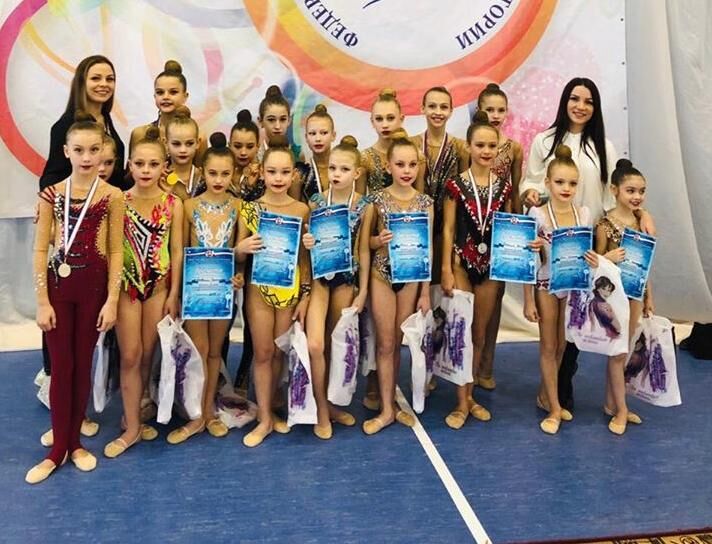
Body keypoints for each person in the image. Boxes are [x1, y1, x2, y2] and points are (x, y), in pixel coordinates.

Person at [519, 77, 654, 410]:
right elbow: (529, 183)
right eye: (575, 99)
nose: (581, 106)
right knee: (553, 331)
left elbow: (615, 194)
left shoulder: (603, 147)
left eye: (588, 101)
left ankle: (562, 382)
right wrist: (531, 194)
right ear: (564, 101)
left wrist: (641, 215)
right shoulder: (543, 141)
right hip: (553, 242)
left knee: (575, 322)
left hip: (591, 240)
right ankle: (553, 394)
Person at [26, 112, 124, 484]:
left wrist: (112, 300)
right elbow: (40, 250)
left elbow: (115, 251)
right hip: (59, 290)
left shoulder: (112, 196)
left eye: (94, 150)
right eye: (79, 150)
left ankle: (75, 443)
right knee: (61, 366)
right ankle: (57, 451)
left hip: (93, 290)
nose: (87, 157)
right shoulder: (51, 195)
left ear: (103, 152)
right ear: (66, 151)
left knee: (82, 364)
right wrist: (42, 301)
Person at [104, 126, 183, 458]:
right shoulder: (118, 201)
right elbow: (110, 249)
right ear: (130, 166)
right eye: (139, 164)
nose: (146, 170)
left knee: (148, 355)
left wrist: (174, 293)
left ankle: (134, 411)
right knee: (131, 355)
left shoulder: (173, 203)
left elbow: (176, 251)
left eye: (153, 164)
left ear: (164, 166)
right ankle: (133, 428)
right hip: (127, 288)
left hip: (158, 288)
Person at [235, 137, 311, 447]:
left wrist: (306, 294)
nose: (278, 178)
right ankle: (265, 417)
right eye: (272, 172)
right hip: (260, 290)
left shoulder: (302, 210)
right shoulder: (251, 209)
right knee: (263, 352)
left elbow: (304, 259)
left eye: (284, 172)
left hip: (289, 288)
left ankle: (271, 407)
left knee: (279, 351)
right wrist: (240, 248)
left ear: (294, 175)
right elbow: (238, 257)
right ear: (262, 173)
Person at [167, 133, 243, 444]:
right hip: (195, 290)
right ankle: (195, 414)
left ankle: (209, 411)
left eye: (225, 174)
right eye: (213, 173)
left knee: (214, 352)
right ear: (203, 172)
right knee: (197, 351)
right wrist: (176, 293)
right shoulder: (188, 206)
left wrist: (239, 275)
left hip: (223, 291)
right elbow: (178, 252)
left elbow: (240, 254)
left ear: (233, 174)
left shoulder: (239, 206)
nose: (219, 179)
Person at [441, 111, 512, 430]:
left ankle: (470, 397)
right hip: (461, 265)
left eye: (491, 146)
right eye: (480, 145)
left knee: (479, 333)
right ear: (468, 147)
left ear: (498, 148)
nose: (486, 151)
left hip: (490, 267)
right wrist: (446, 268)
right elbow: (448, 229)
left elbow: (508, 229)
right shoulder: (456, 185)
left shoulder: (504, 187)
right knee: (462, 331)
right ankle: (460, 402)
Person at [360, 133, 432, 435]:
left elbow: (427, 248)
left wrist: (425, 292)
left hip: (411, 277)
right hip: (382, 275)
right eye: (400, 164)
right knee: (385, 343)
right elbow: (364, 244)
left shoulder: (425, 203)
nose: (406, 170)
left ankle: (391, 402)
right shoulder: (376, 200)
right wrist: (379, 240)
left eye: (412, 164)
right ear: (388, 166)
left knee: (399, 342)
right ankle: (387, 409)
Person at [301, 136, 370, 439]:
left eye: (344, 169)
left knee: (334, 345)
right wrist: (308, 242)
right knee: (315, 345)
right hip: (320, 277)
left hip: (346, 279)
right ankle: (319, 408)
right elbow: (307, 247)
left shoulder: (364, 206)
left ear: (357, 173)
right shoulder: (316, 202)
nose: (337, 174)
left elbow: (363, 250)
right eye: (332, 168)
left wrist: (363, 291)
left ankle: (329, 405)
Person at [522, 145, 592, 434]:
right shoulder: (537, 214)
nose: (566, 188)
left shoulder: (584, 214)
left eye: (572, 183)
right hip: (546, 285)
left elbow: (586, 256)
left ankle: (545, 395)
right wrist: (528, 300)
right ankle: (553, 407)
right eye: (560, 182)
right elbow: (528, 262)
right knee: (548, 346)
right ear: (547, 183)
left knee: (563, 346)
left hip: (571, 286)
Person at [594, 158, 655, 434]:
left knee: (625, 352)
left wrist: (649, 295)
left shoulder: (643, 223)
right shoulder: (604, 224)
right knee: (617, 353)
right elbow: (595, 263)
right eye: (630, 190)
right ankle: (620, 409)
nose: (637, 196)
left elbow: (645, 263)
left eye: (641, 191)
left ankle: (612, 403)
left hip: (635, 294)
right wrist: (608, 257)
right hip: (614, 297)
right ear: (614, 190)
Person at [475, 83, 525, 390]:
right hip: (472, 229)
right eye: (489, 109)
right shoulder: (470, 144)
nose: (495, 115)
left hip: (500, 230)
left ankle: (486, 365)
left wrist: (517, 230)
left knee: (494, 301)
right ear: (479, 110)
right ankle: (463, 362)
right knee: (471, 301)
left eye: (500, 110)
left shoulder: (514, 149)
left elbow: (515, 192)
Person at [40, 55, 126, 191]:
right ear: (81, 83)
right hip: (79, 202)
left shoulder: (106, 119)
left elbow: (116, 176)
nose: (104, 84)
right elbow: (52, 177)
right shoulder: (65, 125)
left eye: (110, 79)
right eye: (96, 78)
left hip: (110, 200)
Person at [411, 86, 469, 284]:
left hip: (448, 226)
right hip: (417, 225)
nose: (438, 112)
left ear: (451, 111)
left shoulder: (461, 147)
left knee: (441, 287)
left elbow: (463, 193)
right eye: (432, 106)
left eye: (444, 107)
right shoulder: (411, 144)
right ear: (422, 108)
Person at [129, 60, 207, 161]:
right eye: (160, 92)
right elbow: (131, 169)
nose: (165, 97)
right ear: (154, 96)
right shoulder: (140, 134)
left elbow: (200, 170)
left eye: (173, 92)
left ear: (185, 96)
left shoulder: (198, 137)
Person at [291, 104, 336, 202]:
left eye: (324, 133)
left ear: (333, 135)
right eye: (312, 133)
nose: (318, 139)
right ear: (306, 137)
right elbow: (295, 207)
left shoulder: (346, 168)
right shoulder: (301, 172)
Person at [160, 105, 203, 201]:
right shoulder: (160, 178)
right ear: (165, 143)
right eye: (176, 144)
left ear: (198, 143)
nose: (183, 150)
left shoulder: (205, 177)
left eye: (189, 143)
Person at [256, 86, 300, 162]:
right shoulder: (254, 157)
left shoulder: (297, 154)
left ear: (289, 120)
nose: (277, 126)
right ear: (260, 121)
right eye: (271, 120)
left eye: (283, 119)